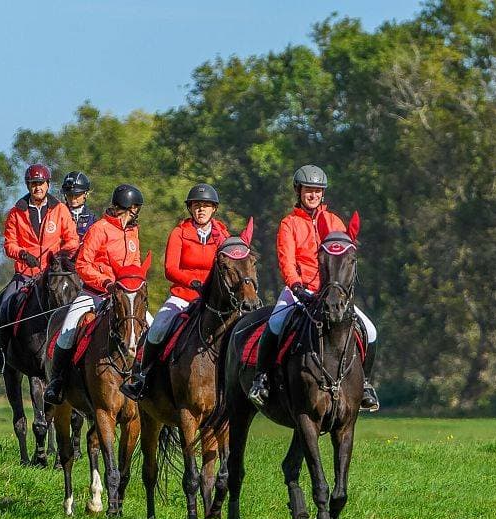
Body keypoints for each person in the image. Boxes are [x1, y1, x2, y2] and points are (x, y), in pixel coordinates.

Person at [247, 164, 380, 410]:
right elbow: (286, 259)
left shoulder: (334, 221)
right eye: (308, 190)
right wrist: (295, 285)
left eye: (317, 191)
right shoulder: (289, 223)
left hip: (332, 293)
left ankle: (366, 384)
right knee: (275, 324)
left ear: (323, 194)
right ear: (298, 191)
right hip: (301, 290)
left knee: (370, 331)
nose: (313, 195)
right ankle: (261, 379)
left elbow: (344, 258)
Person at [121, 183, 229, 399]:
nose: (201, 210)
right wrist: (195, 282)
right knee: (157, 328)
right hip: (183, 296)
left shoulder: (223, 236)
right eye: (197, 205)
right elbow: (170, 269)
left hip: (212, 301)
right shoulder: (179, 232)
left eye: (206, 206)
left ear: (214, 209)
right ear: (190, 208)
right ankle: (142, 377)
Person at [45, 184, 148, 405]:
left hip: (125, 296)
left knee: (152, 326)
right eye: (135, 209)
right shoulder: (99, 229)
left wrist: (134, 284)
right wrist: (105, 283)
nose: (136, 214)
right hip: (95, 293)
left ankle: (147, 380)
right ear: (128, 208)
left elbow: (136, 264)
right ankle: (57, 382)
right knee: (67, 330)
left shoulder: (133, 232)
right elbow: (83, 264)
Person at [0, 164, 79, 373]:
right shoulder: (17, 212)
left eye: (41, 184)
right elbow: (9, 244)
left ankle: (77, 350)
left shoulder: (60, 210)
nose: (37, 188)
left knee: (76, 302)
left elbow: (72, 239)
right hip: (26, 275)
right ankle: (0, 354)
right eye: (34, 184)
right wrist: (23, 254)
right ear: (28, 185)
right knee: (5, 304)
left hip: (53, 274)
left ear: (48, 185)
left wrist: (60, 257)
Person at [62, 171, 96, 239]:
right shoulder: (58, 215)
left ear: (85, 194)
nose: (73, 199)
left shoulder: (92, 220)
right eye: (69, 195)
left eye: (77, 195)